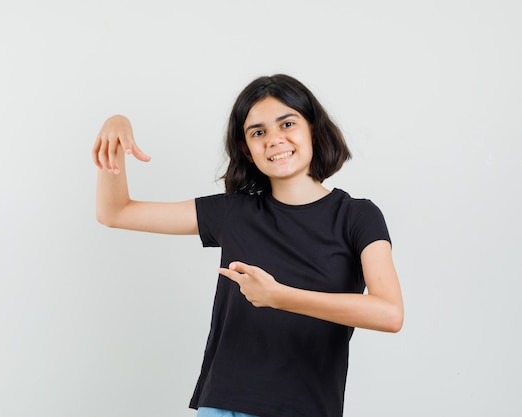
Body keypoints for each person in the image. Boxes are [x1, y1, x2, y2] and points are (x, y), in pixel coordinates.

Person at [92, 74, 403, 417]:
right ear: (246, 148)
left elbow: (389, 313)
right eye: (258, 132)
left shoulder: (357, 216)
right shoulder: (233, 212)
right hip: (225, 404)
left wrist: (279, 297)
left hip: (308, 407)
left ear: (313, 128)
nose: (274, 139)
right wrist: (114, 136)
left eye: (287, 123)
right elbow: (115, 212)